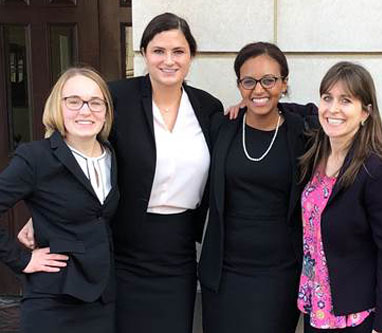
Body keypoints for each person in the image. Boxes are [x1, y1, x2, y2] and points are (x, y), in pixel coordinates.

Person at [107, 13, 223, 333]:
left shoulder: (207, 107)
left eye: (178, 52)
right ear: (144, 53)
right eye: (159, 51)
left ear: (191, 56)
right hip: (124, 250)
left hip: (179, 251)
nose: (168, 60)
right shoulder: (117, 98)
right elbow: (77, 147)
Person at [198, 41, 318, 333]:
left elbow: (324, 113)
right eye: (249, 81)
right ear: (239, 84)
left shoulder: (302, 132)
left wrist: (275, 103)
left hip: (279, 273)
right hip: (224, 272)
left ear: (284, 83)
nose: (258, 89)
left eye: (269, 80)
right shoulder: (221, 127)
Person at [0, 66, 119, 333]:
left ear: (106, 111)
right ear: (57, 106)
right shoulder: (35, 157)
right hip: (53, 300)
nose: (85, 110)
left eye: (95, 102)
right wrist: (22, 260)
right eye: (74, 101)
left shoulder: (113, 155)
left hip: (102, 299)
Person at [298, 61, 382, 333]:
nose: (333, 109)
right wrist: (245, 105)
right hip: (316, 308)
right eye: (327, 98)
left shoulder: (378, 171)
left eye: (346, 100)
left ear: (365, 112)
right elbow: (290, 110)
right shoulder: (315, 157)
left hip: (354, 315)